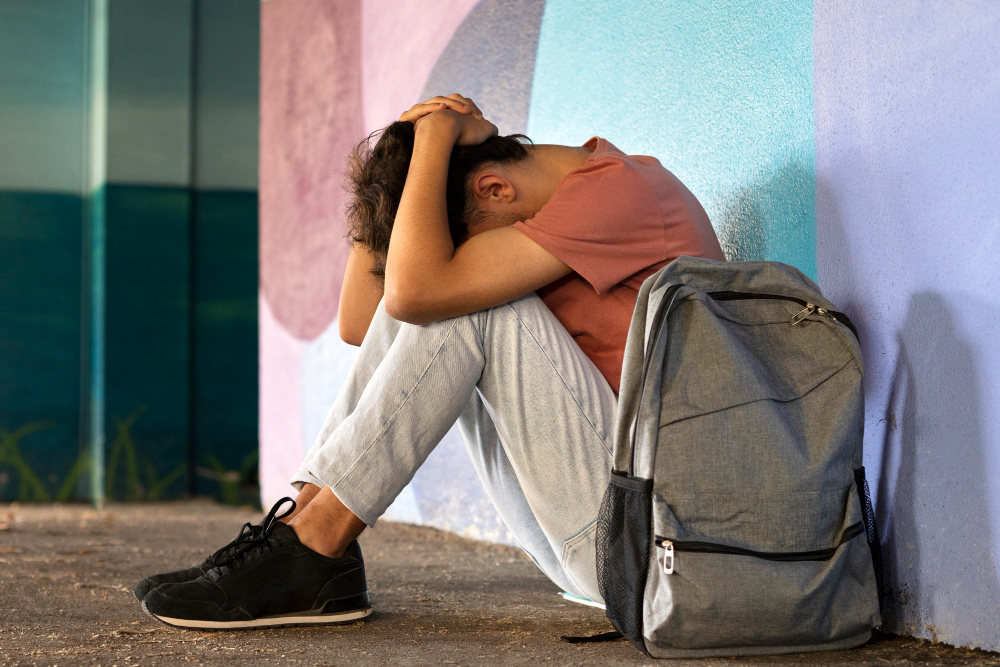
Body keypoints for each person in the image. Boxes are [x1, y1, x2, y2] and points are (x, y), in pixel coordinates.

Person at [135, 94, 725, 629]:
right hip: (608, 542)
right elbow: (368, 321)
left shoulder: (622, 191)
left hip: (660, 548)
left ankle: (314, 548)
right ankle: (297, 530)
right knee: (435, 298)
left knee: (467, 307)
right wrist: (401, 168)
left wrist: (440, 135)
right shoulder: (564, 204)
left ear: (493, 189)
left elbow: (414, 295)